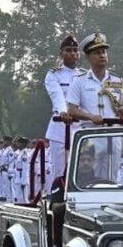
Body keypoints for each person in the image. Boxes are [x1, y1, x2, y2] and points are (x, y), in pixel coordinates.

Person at [66, 32, 123, 181]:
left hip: (113, 136)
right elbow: (72, 109)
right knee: (89, 178)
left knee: (111, 178)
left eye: (104, 52)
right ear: (88, 57)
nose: (102, 55)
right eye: (97, 53)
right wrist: (90, 116)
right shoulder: (79, 81)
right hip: (90, 136)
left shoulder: (118, 81)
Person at [44, 34, 84, 187]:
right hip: (60, 125)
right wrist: (63, 111)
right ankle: (57, 198)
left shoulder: (85, 75)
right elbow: (57, 95)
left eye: (75, 50)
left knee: (81, 168)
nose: (73, 53)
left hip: (80, 124)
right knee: (59, 170)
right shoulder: (54, 74)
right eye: (68, 50)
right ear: (61, 54)